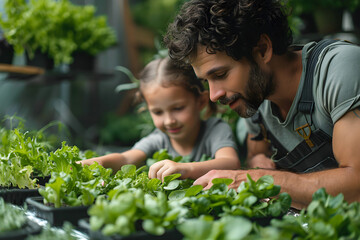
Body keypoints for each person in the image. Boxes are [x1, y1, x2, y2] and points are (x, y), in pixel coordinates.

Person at [164, 0, 360, 209]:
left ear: (263, 49)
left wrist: (257, 178)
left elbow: (356, 183)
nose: (213, 95)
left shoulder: (339, 69)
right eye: (206, 81)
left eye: (220, 74)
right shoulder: (255, 102)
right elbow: (257, 155)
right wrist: (259, 162)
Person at [81, 56, 241, 181]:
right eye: (158, 112)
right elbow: (126, 158)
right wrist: (98, 163)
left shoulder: (215, 129)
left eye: (178, 108)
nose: (169, 120)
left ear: (201, 102)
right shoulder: (158, 139)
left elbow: (231, 163)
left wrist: (185, 168)